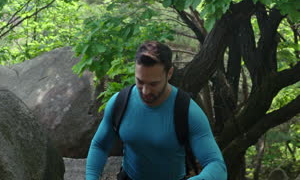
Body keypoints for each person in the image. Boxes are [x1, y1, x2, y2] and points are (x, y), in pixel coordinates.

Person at [85, 41, 227, 180]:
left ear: (169, 73)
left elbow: (216, 165)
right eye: (140, 81)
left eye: (154, 84)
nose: (145, 91)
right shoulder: (120, 102)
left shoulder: (187, 111)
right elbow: (100, 145)